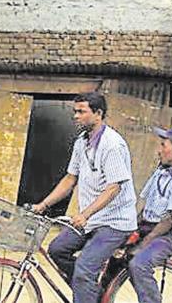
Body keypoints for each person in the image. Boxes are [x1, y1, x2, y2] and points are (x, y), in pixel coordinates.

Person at [32, 92, 137, 303]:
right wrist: (42, 205)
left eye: (81, 111)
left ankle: (85, 289)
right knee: (57, 250)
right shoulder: (82, 142)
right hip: (91, 220)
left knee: (83, 270)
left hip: (115, 223)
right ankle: (90, 294)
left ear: (98, 114)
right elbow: (70, 178)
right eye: (75, 111)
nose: (75, 116)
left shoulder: (112, 144)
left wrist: (85, 214)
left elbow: (113, 187)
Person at [128, 125, 172, 303]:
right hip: (151, 226)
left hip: (170, 234)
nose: (159, 150)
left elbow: (169, 218)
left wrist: (145, 241)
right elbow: (146, 205)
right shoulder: (162, 170)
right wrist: (132, 228)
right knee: (113, 249)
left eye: (163, 145)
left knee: (140, 264)